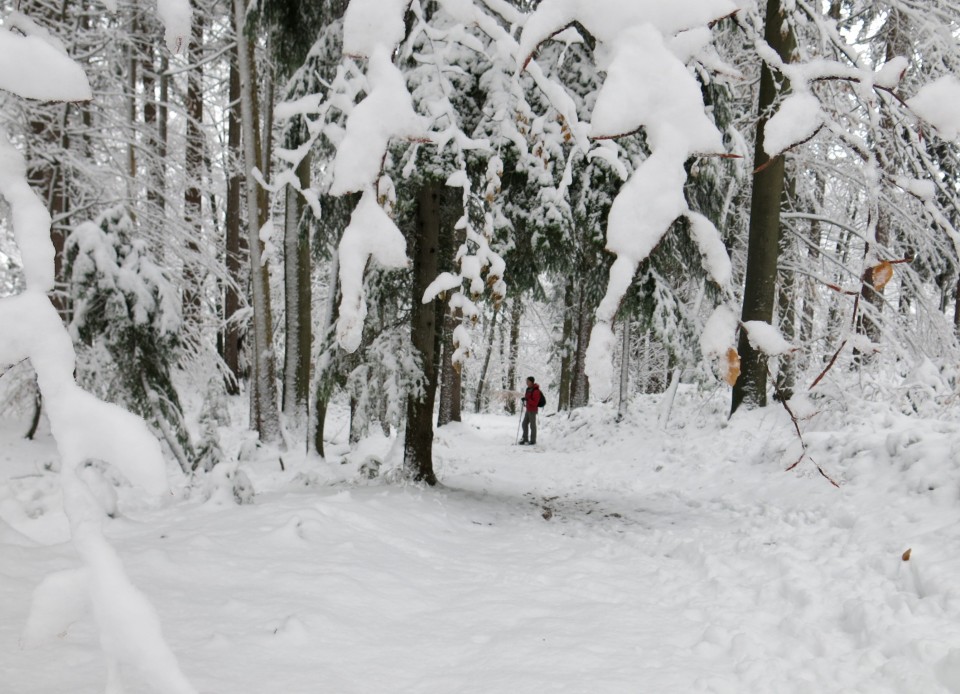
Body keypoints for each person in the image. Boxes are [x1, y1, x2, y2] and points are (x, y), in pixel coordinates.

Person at [519, 376, 542, 445]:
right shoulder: (528, 389)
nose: (526, 382)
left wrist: (528, 400)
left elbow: (535, 403)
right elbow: (528, 398)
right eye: (526, 381)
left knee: (532, 425)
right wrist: (524, 399)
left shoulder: (536, 391)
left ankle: (533, 440)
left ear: (531, 382)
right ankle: (525, 439)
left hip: (532, 410)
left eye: (528, 381)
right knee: (524, 424)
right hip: (528, 409)